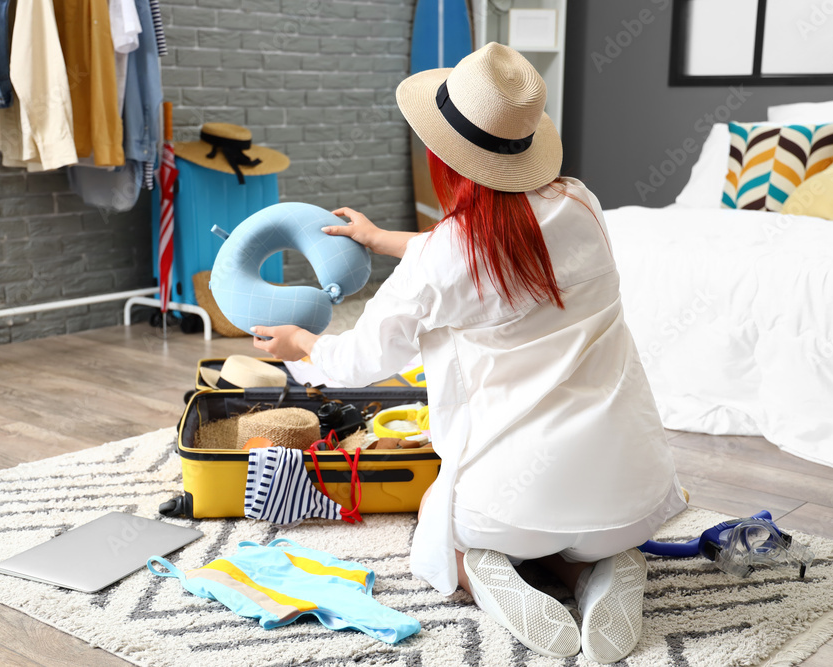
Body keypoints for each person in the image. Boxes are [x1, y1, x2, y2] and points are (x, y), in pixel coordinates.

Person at [251, 42, 688, 663]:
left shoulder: (440, 260)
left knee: (440, 524)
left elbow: (358, 363)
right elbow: (494, 250)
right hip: (631, 494)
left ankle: (481, 571)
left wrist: (301, 343)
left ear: (444, 157)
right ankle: (598, 569)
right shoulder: (582, 206)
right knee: (581, 531)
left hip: (516, 505)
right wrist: (382, 239)